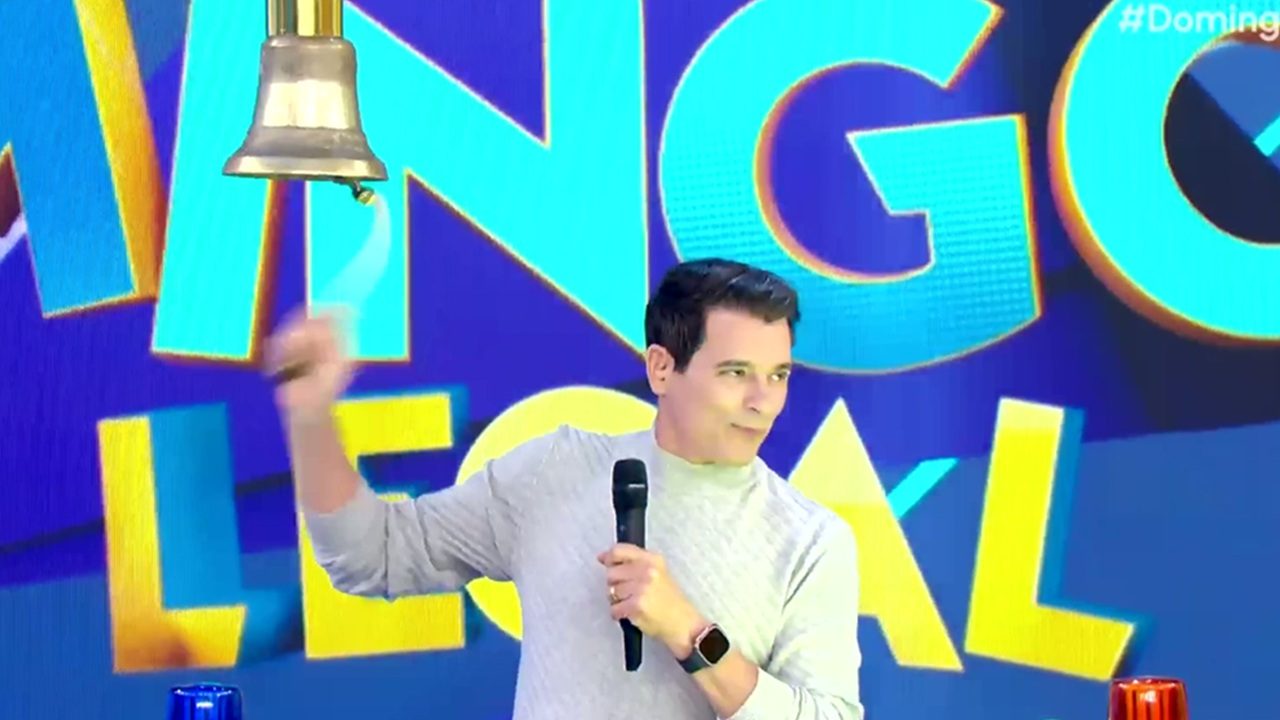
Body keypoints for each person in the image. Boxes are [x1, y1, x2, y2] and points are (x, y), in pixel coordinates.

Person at [266, 258, 864, 720]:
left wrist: (690, 634)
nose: (763, 402)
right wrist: (311, 416)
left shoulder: (811, 541)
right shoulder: (557, 469)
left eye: (778, 376)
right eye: (736, 373)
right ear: (661, 368)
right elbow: (373, 556)